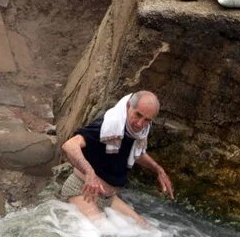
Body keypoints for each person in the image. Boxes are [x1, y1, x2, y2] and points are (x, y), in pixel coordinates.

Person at [60, 91, 174, 227]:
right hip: (82, 190)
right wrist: (89, 172)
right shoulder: (107, 125)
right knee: (105, 236)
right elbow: (70, 145)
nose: (140, 123)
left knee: (146, 229)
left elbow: (137, 153)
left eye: (147, 120)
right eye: (138, 115)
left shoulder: (138, 132)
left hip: (109, 197)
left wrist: (158, 170)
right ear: (128, 106)